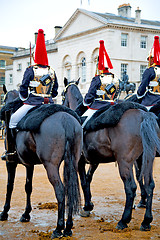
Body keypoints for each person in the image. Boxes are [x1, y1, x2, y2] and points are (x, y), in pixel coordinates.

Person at [2, 29, 58, 161]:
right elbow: (55, 91)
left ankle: (12, 151)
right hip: (49, 103)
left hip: (32, 103)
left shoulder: (31, 69)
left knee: (13, 120)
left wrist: (25, 98)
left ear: (34, 56)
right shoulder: (52, 71)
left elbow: (23, 88)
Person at [76, 40, 119, 127]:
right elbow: (117, 93)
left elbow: (90, 95)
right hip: (113, 106)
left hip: (99, 106)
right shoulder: (116, 79)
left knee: (81, 124)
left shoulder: (97, 78)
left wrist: (86, 102)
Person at [137, 35, 160, 110]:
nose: (148, 61)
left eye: (149, 59)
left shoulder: (149, 70)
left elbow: (142, 87)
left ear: (152, 59)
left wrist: (139, 93)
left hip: (151, 101)